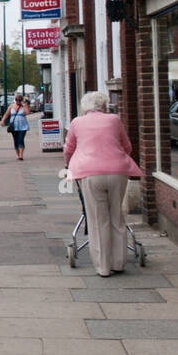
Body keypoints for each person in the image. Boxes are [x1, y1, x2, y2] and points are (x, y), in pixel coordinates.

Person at [64, 90, 143, 277]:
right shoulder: (114, 120)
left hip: (90, 174)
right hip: (118, 172)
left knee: (98, 220)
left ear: (85, 107)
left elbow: (69, 149)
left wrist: (68, 164)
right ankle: (119, 262)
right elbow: (127, 146)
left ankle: (103, 267)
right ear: (103, 106)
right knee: (117, 215)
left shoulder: (76, 122)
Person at [1, 93, 30, 161]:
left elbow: (28, 113)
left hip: (23, 126)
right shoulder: (11, 106)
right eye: (17, 100)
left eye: (20, 100)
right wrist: (2, 121)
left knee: (20, 140)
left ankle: (21, 155)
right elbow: (6, 114)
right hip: (14, 126)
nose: (18, 101)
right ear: (15, 100)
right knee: (16, 140)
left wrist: (25, 105)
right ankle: (17, 154)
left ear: (22, 100)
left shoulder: (24, 106)